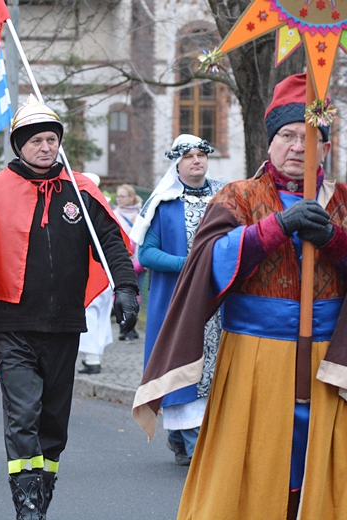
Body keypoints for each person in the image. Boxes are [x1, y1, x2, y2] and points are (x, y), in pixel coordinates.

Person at [132, 74, 347, 519]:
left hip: (328, 360)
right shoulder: (238, 196)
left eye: (311, 138)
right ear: (269, 141)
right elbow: (210, 261)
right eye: (288, 136)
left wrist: (335, 240)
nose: (298, 146)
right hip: (254, 358)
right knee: (248, 463)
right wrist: (276, 227)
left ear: (326, 149)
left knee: (316, 468)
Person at [0, 95, 140, 519]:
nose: (46, 147)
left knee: (52, 422)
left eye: (52, 139)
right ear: (19, 147)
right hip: (11, 326)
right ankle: (25, 503)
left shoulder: (80, 192)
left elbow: (112, 244)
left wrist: (126, 288)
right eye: (36, 141)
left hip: (64, 325)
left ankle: (42, 492)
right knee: (23, 413)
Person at [129, 134, 224, 466]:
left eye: (201, 155)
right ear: (177, 164)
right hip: (178, 301)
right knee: (180, 363)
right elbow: (148, 254)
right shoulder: (165, 203)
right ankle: (187, 438)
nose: (197, 161)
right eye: (189, 157)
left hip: (219, 303)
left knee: (213, 367)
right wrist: (187, 265)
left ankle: (184, 437)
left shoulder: (223, 198)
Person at [77, 173, 114, 375]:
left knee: (91, 312)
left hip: (96, 268)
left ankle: (92, 357)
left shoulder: (94, 208)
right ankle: (94, 355)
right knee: (96, 313)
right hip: (100, 269)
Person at [112, 183, 145, 341]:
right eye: (118, 196)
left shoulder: (142, 213)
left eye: (122, 196)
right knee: (122, 291)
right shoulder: (114, 215)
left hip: (140, 261)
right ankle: (124, 327)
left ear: (132, 198)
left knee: (137, 292)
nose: (119, 199)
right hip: (121, 261)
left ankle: (132, 325)